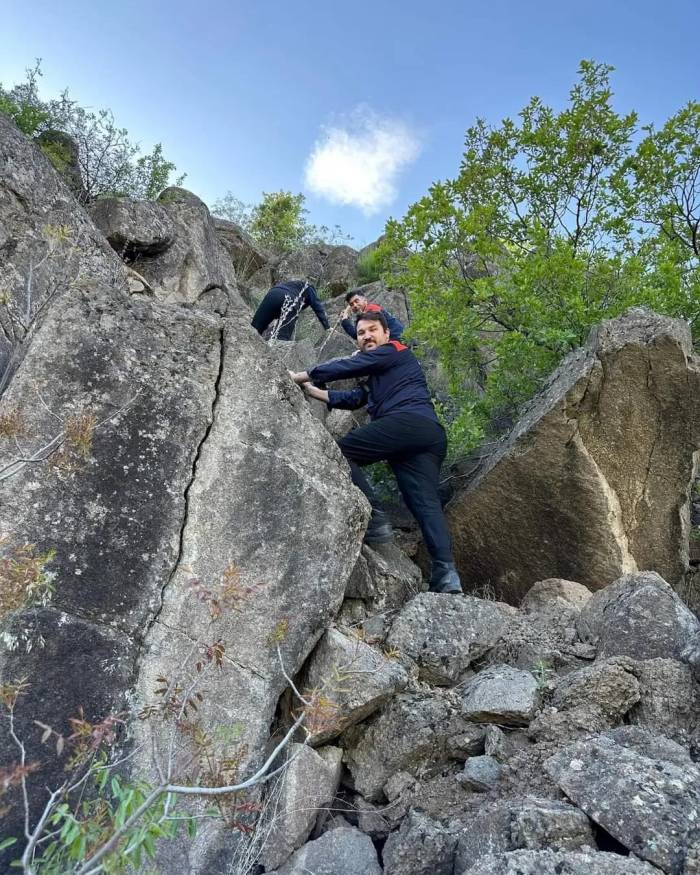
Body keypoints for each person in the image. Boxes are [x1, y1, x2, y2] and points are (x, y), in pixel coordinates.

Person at [289, 311, 462, 595]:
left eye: (372, 330)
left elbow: (348, 366)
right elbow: (354, 398)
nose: (367, 336)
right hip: (427, 435)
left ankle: (375, 517)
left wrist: (298, 376)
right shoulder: (379, 373)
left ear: (386, 334)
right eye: (361, 333)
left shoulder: (394, 350)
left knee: (339, 453)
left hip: (407, 422)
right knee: (425, 505)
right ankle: (447, 576)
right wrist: (311, 391)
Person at [252, 279, 330, 340]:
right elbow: (318, 307)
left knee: (255, 328)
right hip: (290, 299)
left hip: (272, 293)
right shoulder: (309, 288)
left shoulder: (290, 284)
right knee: (282, 338)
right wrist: (327, 327)